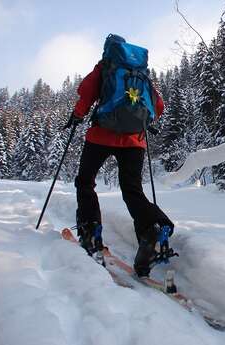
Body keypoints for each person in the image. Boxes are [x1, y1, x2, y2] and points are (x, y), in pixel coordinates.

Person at [66, 58, 174, 278]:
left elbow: (86, 91)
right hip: (134, 140)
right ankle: (152, 229)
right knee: (132, 189)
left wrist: (78, 114)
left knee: (85, 181)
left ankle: (91, 233)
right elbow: (159, 105)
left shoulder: (106, 68)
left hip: (101, 136)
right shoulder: (140, 75)